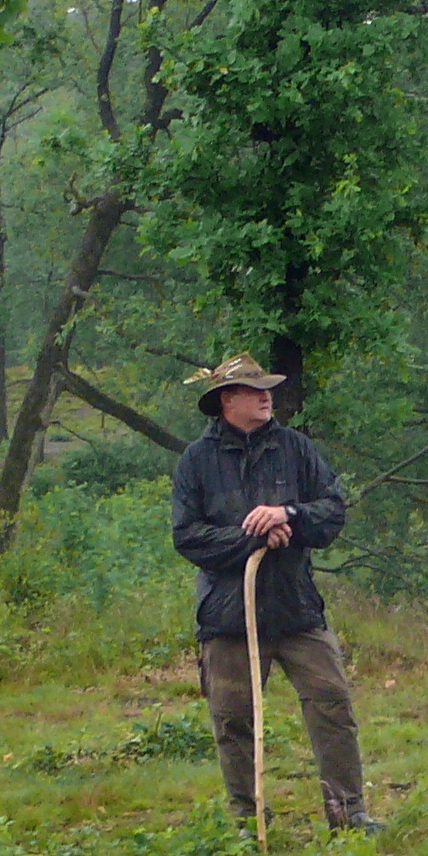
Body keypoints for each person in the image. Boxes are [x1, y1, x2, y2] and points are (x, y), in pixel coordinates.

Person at [169, 354, 376, 831]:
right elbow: (188, 537)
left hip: (296, 607)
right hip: (228, 615)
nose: (267, 397)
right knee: (233, 720)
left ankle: (349, 812)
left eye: (268, 389)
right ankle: (248, 820)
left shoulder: (295, 448)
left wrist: (289, 515)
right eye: (254, 389)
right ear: (227, 400)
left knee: (333, 705)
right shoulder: (195, 462)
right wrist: (251, 537)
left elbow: (332, 512)